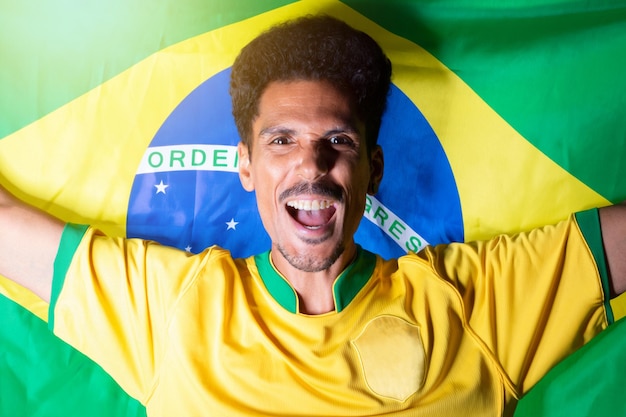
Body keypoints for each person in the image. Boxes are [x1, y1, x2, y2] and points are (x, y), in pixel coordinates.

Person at [0, 15, 625, 417]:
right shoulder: (170, 308)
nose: (313, 166)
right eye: (281, 141)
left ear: (373, 168)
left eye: (339, 142)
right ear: (244, 166)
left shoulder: (470, 303)